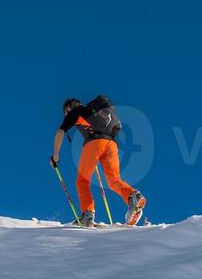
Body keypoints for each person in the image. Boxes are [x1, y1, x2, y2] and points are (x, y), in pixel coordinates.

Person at [49, 96, 146, 227]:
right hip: (111, 144)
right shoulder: (93, 113)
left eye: (64, 113)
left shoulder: (74, 112)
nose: (65, 115)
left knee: (82, 180)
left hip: (94, 144)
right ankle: (133, 196)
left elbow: (61, 131)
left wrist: (55, 155)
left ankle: (87, 214)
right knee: (114, 180)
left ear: (68, 109)